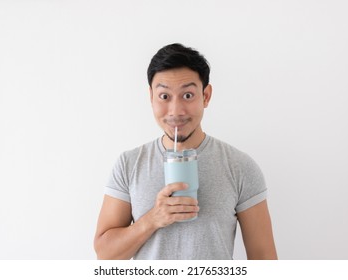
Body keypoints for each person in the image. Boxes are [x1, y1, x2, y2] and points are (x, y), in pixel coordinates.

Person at [94, 43, 277, 260]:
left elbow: (264, 257)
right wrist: (153, 219)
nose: (176, 111)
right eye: (164, 96)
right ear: (151, 96)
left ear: (206, 96)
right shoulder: (130, 164)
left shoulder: (239, 166)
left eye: (188, 95)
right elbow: (105, 255)